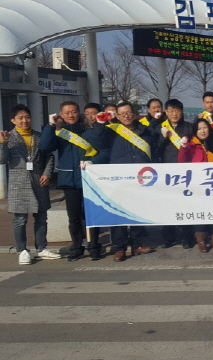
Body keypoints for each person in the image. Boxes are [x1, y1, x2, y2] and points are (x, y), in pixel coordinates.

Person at [40, 101, 109, 261]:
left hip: (90, 178)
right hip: (69, 179)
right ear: (61, 114)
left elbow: (104, 150)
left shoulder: (89, 130)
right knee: (74, 217)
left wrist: (94, 162)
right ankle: (77, 247)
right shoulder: (58, 132)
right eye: (67, 112)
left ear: (79, 113)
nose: (71, 115)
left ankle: (93, 246)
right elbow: (44, 147)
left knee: (92, 215)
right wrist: (50, 126)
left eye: (74, 112)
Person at [90, 102, 155, 262]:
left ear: (133, 113)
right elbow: (98, 141)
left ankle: (137, 244)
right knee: (118, 213)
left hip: (140, 178)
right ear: (117, 116)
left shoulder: (144, 131)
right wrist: (100, 123)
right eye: (122, 113)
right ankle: (119, 248)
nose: (126, 115)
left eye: (129, 112)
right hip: (119, 178)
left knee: (138, 211)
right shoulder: (111, 131)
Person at [0, 105, 58, 265]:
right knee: (20, 220)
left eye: (27, 117)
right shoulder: (8, 137)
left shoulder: (40, 136)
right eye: (20, 118)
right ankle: (22, 250)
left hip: (39, 182)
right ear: (13, 120)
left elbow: (50, 157)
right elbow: (1, 160)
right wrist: (2, 143)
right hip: (19, 185)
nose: (24, 120)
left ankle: (41, 249)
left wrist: (47, 173)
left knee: (41, 218)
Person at [150, 99, 194, 249]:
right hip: (167, 172)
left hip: (186, 172)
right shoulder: (159, 127)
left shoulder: (189, 127)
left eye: (177, 110)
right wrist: (163, 136)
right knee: (168, 205)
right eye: (171, 110)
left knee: (185, 205)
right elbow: (155, 149)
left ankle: (186, 237)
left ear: (182, 112)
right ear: (166, 112)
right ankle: (168, 237)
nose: (174, 113)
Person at [178, 118, 213, 253]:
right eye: (199, 128)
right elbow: (181, 161)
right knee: (200, 212)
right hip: (198, 185)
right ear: (195, 131)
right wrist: (183, 147)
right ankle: (201, 240)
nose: (202, 131)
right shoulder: (191, 145)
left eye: (205, 127)